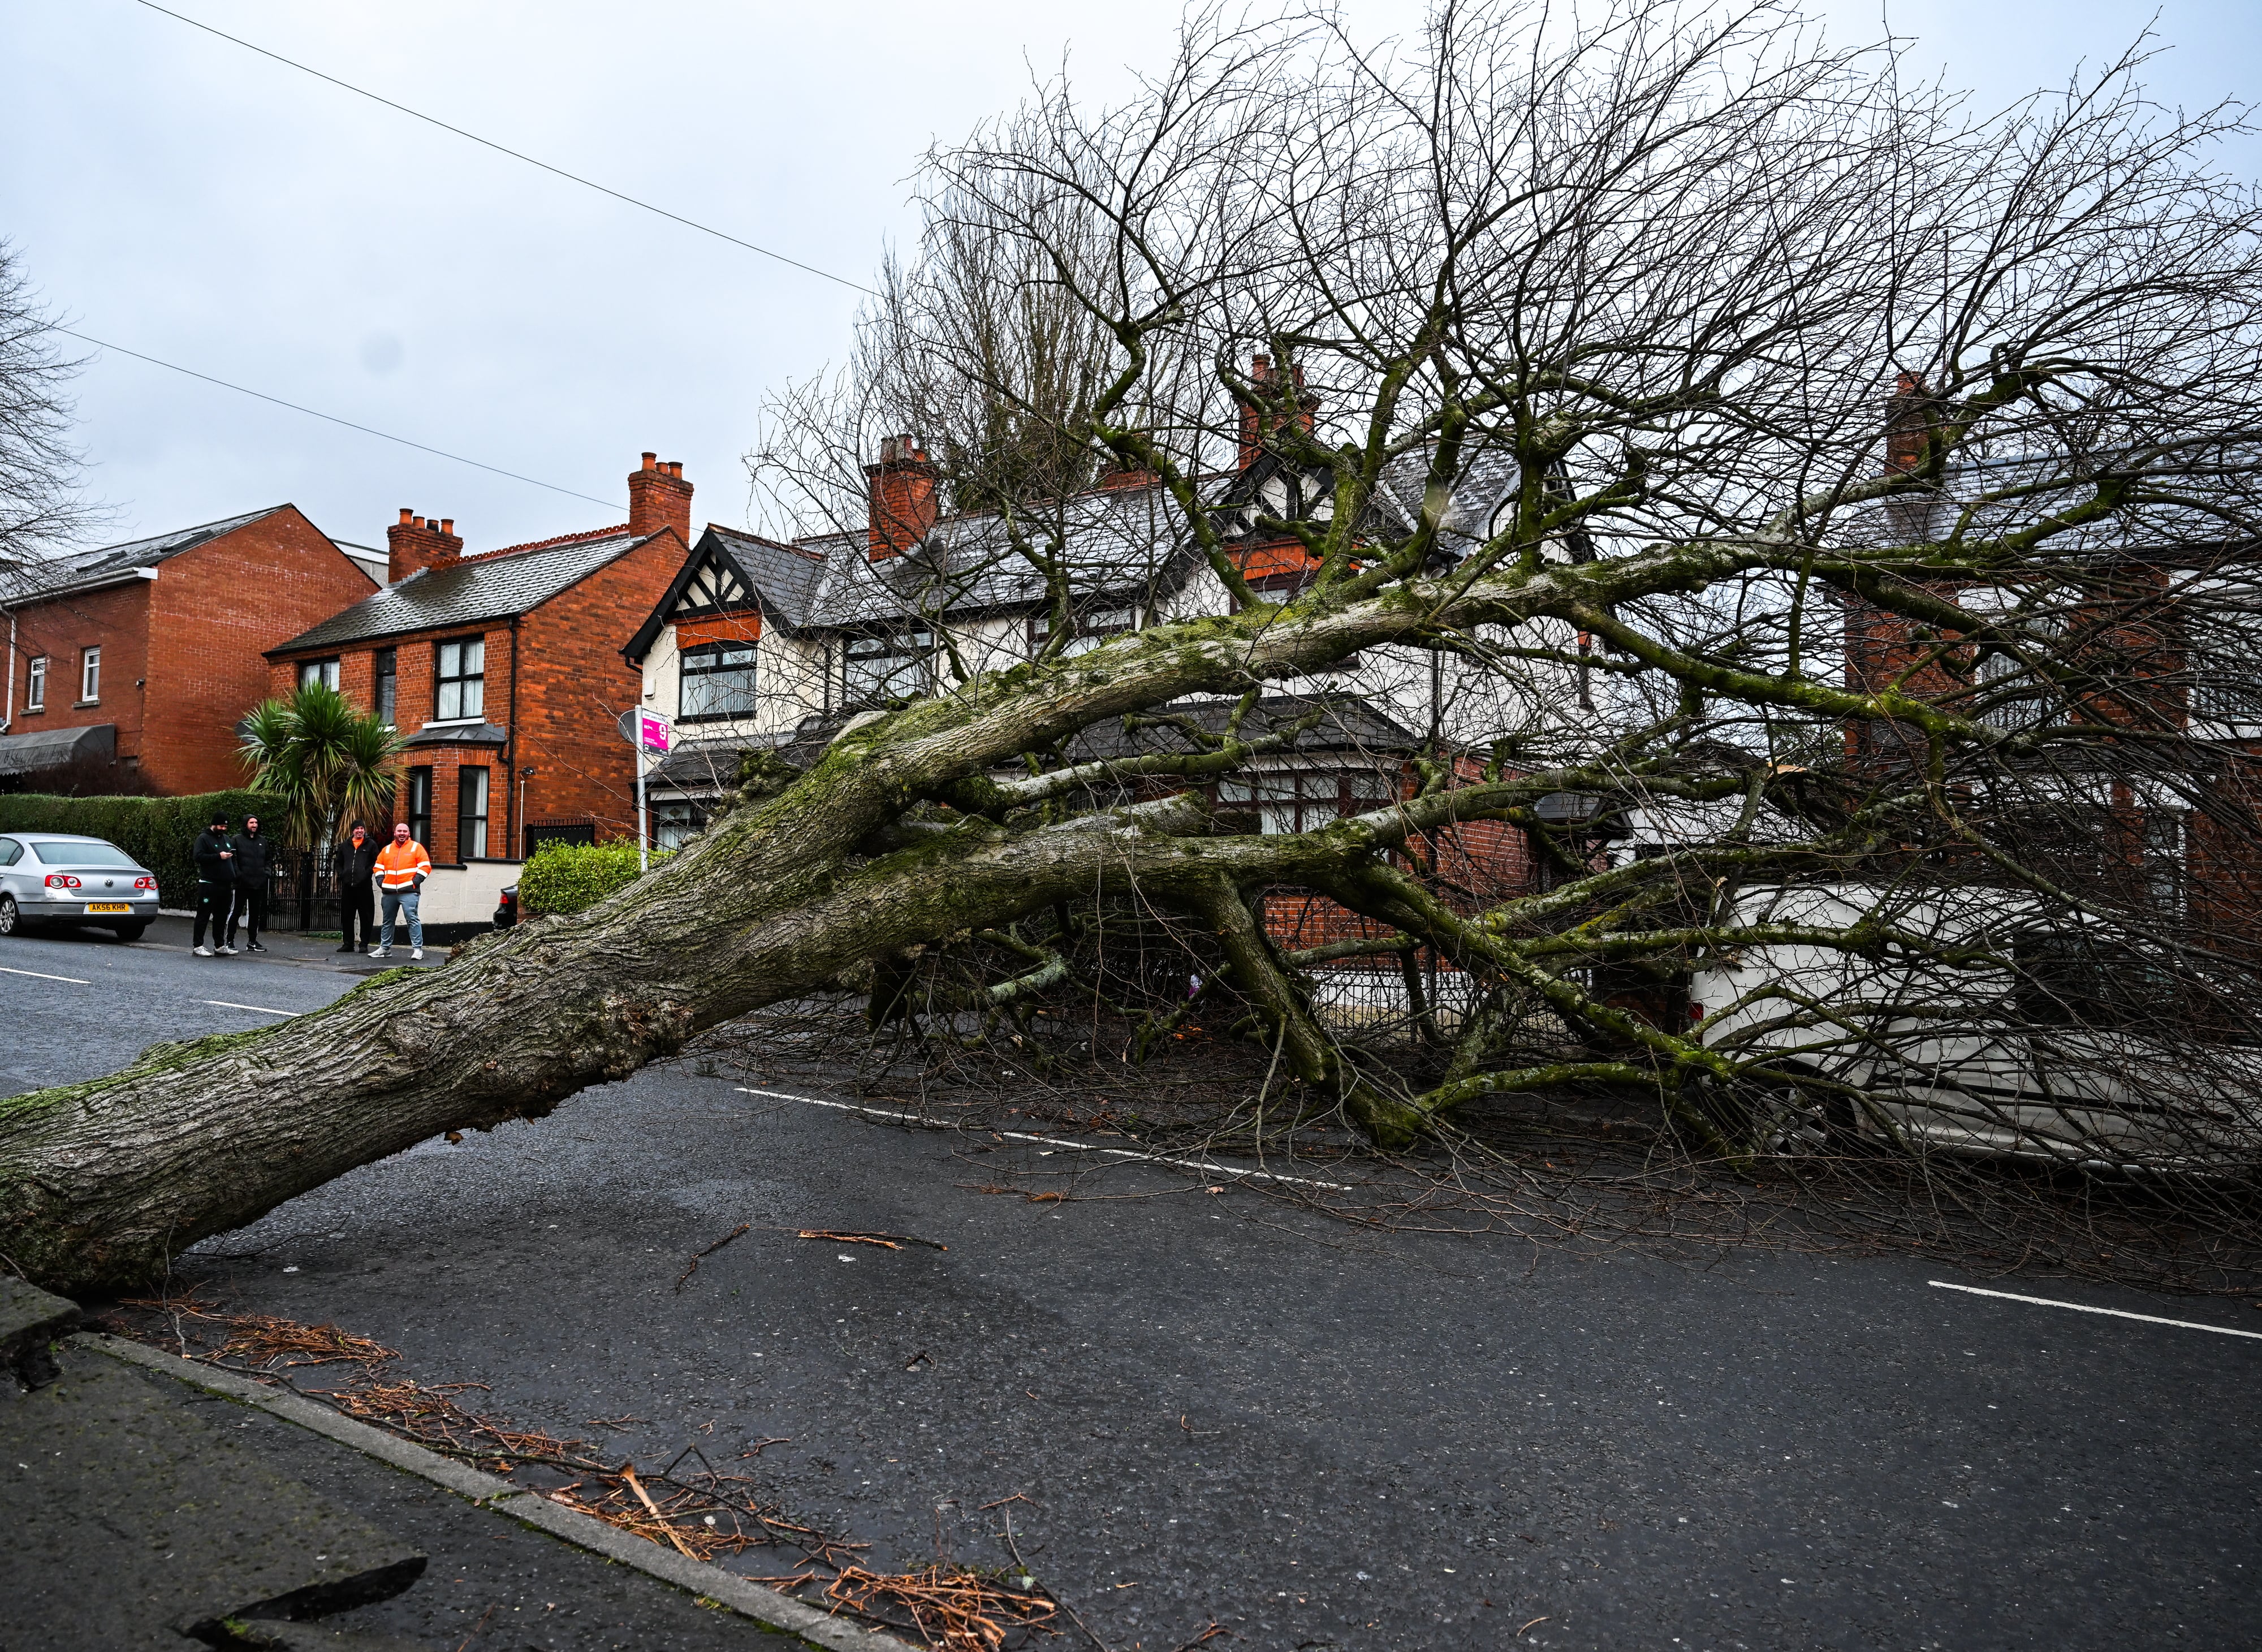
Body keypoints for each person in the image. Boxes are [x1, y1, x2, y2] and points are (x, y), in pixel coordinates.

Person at [372, 821, 433, 961]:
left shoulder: (416, 848)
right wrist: (381, 882)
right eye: (399, 831)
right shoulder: (386, 850)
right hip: (389, 892)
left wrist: (415, 882)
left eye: (405, 831)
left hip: (409, 892)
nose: (402, 834)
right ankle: (385, 949)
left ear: (409, 833)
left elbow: (425, 867)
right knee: (388, 921)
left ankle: (418, 950)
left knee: (412, 919)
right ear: (395, 833)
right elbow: (378, 867)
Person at [190, 811, 237, 957]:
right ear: (214, 824)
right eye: (221, 826)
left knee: (221, 917)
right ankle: (198, 946)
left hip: (225, 885)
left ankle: (220, 946)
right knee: (204, 915)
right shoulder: (203, 839)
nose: (224, 829)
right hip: (209, 884)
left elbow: (232, 859)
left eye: (225, 827)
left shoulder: (226, 839)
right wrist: (219, 856)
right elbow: (198, 857)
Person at [226, 814, 274, 953]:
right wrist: (238, 875)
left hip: (258, 884)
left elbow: (268, 859)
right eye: (252, 823)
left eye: (256, 823)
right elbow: (232, 860)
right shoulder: (236, 840)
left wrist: (267, 873)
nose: (255, 825)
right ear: (245, 824)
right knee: (235, 912)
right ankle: (229, 941)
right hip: (242, 884)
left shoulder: (262, 841)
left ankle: (252, 942)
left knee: (255, 914)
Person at [333, 822, 379, 954]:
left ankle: (364, 944)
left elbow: (376, 862)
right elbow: (338, 862)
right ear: (353, 831)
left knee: (366, 915)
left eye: (362, 828)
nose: (360, 831)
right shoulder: (345, 845)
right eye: (357, 829)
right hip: (348, 886)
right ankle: (348, 943)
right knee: (347, 915)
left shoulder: (371, 845)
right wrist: (342, 875)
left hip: (364, 886)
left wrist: (366, 873)